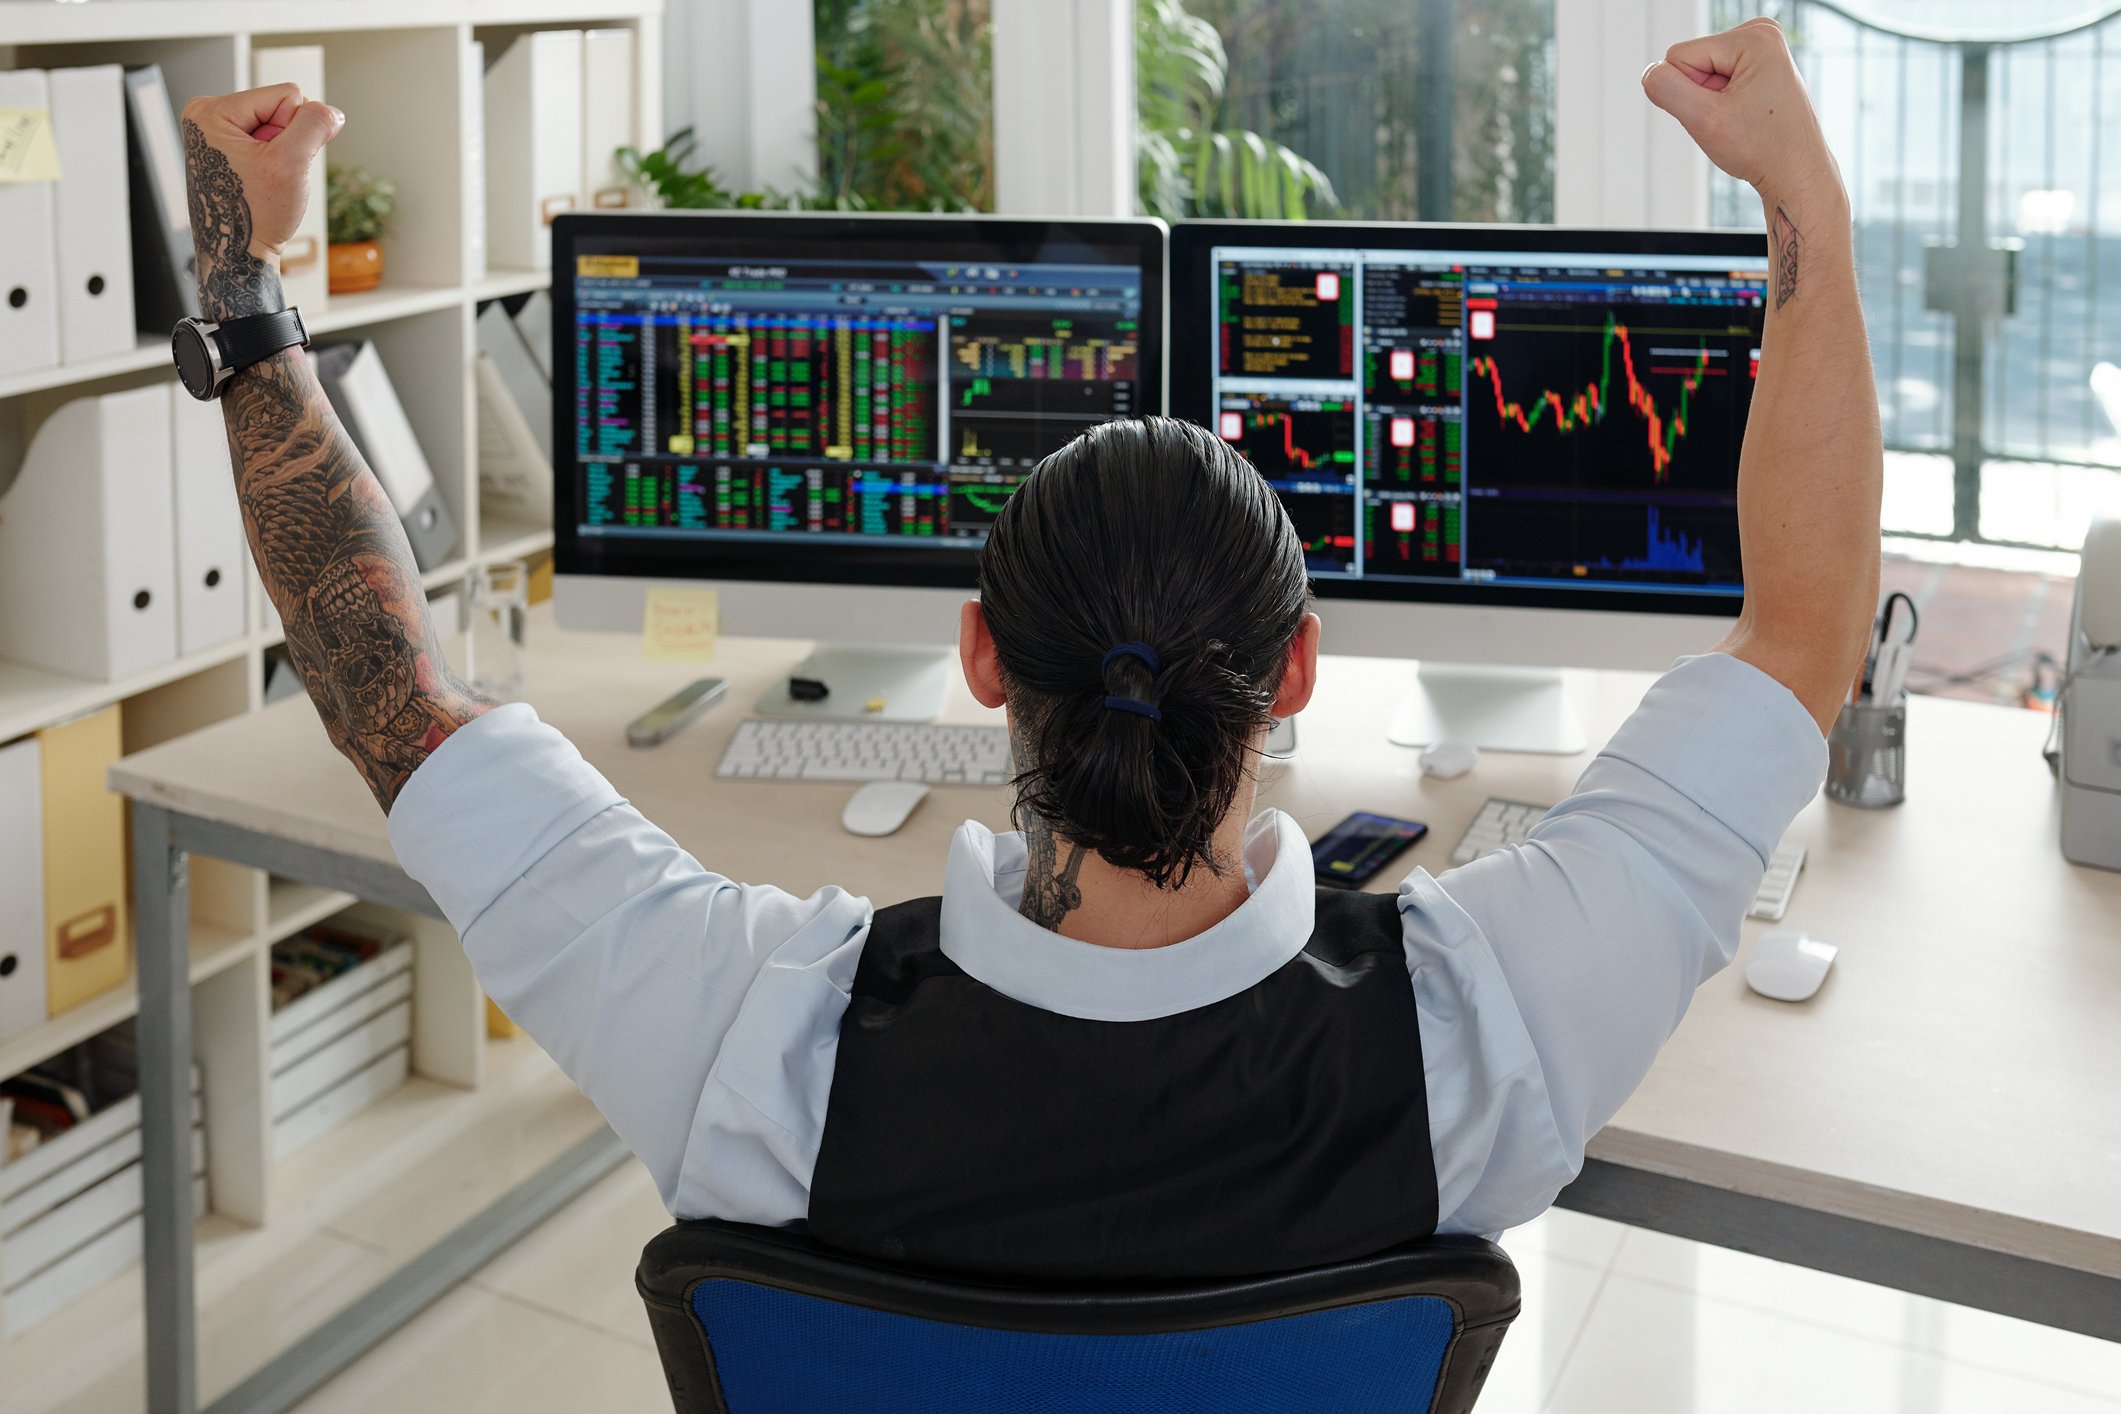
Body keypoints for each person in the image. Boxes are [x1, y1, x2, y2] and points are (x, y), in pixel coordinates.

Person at [177, 16, 1878, 1275]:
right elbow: (1800, 636)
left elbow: (385, 685)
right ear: (1293, 676)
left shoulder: (748, 1038)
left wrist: (240, 266)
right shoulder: (1478, 1030)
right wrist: (1800, 201)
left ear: (981, 658)